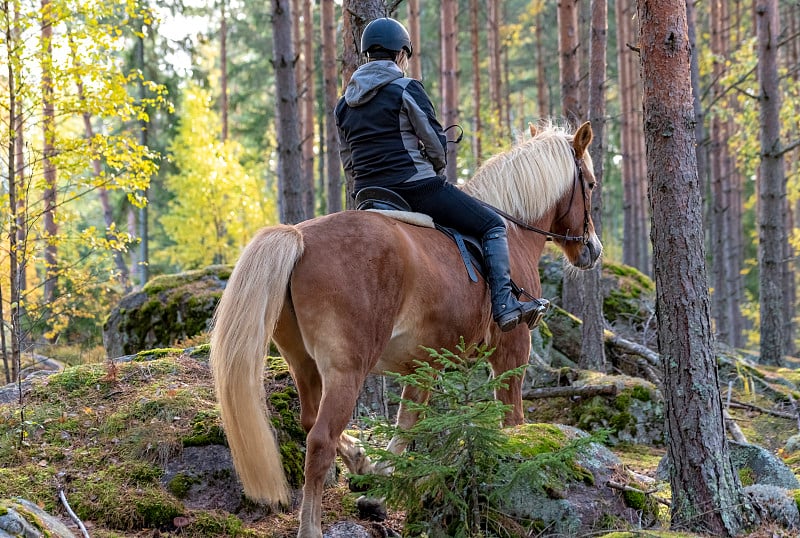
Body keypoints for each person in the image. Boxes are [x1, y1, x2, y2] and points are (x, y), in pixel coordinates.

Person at [334, 17, 548, 332]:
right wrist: (436, 168)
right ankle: (504, 305)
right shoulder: (405, 88)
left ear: (368, 55)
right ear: (400, 54)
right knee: (491, 225)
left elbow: (348, 160)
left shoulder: (343, 105)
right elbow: (434, 142)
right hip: (415, 188)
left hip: (370, 195)